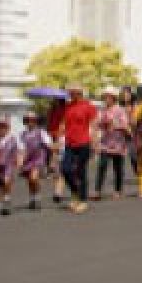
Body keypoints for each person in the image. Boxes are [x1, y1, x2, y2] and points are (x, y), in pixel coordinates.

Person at [57, 83, 96, 214]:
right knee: (65, 169)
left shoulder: (88, 107)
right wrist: (58, 139)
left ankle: (83, 200)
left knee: (81, 172)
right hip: (69, 143)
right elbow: (63, 123)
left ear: (79, 93)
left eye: (73, 92)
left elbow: (94, 125)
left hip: (84, 143)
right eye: (70, 92)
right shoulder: (68, 107)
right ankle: (76, 192)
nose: (70, 95)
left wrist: (95, 143)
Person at [92, 87, 130, 201]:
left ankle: (117, 190)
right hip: (105, 142)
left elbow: (125, 125)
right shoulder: (102, 110)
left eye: (108, 97)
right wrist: (96, 138)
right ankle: (97, 191)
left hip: (118, 143)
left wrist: (115, 125)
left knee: (118, 168)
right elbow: (97, 124)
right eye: (104, 97)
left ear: (113, 98)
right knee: (101, 166)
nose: (106, 99)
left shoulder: (120, 110)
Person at [18, 111, 51, 210]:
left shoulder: (41, 132)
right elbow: (20, 148)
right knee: (30, 180)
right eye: (27, 120)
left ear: (36, 121)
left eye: (32, 120)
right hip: (27, 159)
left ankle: (37, 197)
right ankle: (32, 197)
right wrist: (20, 160)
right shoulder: (22, 134)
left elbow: (48, 144)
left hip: (38, 158)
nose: (30, 122)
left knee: (34, 178)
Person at [47, 97, 68, 205]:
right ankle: (57, 191)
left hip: (64, 140)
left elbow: (64, 126)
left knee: (61, 168)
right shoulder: (51, 110)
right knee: (56, 169)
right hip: (54, 138)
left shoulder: (66, 110)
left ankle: (58, 192)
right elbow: (50, 124)